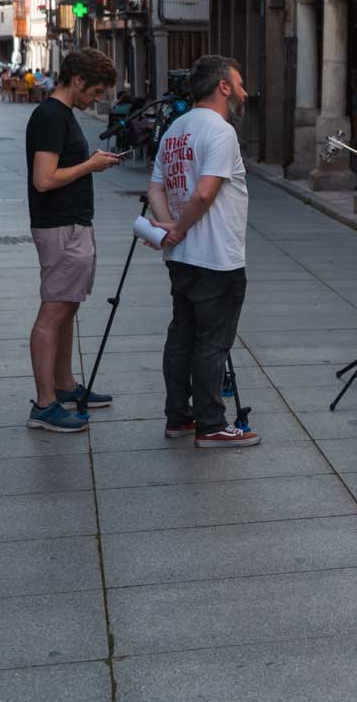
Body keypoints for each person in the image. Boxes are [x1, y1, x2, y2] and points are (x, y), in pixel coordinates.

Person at [147, 55, 259, 448]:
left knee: (181, 338)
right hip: (217, 258)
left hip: (181, 257)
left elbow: (156, 186)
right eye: (240, 83)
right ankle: (212, 424)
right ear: (223, 87)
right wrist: (177, 227)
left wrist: (168, 230)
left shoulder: (175, 130)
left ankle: (178, 417)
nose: (244, 91)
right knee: (212, 343)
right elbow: (205, 191)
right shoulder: (221, 131)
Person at [25, 47, 122, 432]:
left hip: (70, 224)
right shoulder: (51, 116)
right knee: (54, 311)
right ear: (77, 80)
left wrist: (89, 163)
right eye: (94, 91)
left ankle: (63, 386)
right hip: (61, 227)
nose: (95, 99)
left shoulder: (60, 115)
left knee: (67, 308)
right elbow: (44, 179)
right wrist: (91, 165)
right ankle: (44, 403)